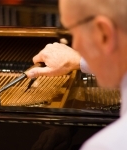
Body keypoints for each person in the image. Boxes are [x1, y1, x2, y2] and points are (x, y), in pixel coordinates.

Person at [27, 0, 127, 149]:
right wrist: (67, 127)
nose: (74, 47)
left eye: (74, 33)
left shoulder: (104, 145)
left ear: (105, 33)